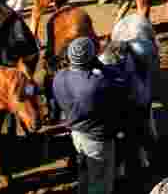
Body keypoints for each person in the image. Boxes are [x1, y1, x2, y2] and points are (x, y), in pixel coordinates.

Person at [52, 37, 126, 194]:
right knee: (101, 182)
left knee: (84, 172)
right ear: (91, 59)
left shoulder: (59, 77)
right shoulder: (96, 84)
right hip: (98, 140)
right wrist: (101, 66)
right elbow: (121, 79)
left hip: (76, 134)